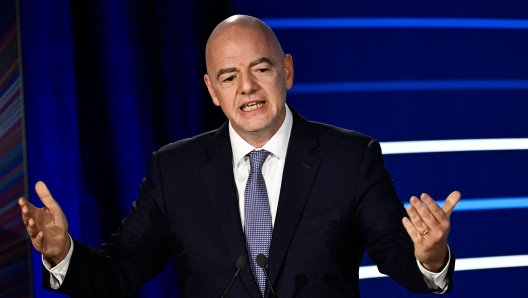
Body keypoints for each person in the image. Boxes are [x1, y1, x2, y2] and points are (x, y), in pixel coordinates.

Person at [19, 15, 460, 297]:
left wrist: (431, 256)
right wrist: (63, 253)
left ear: (286, 71)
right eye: (229, 77)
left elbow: (397, 257)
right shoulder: (175, 170)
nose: (246, 88)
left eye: (261, 69)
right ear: (212, 90)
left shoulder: (351, 157)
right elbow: (119, 274)